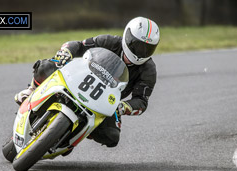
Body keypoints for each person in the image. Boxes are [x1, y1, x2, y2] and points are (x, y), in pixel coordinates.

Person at [14, 16, 160, 148]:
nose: (141, 51)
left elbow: (141, 101)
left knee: (112, 137)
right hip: (79, 79)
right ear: (128, 38)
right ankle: (32, 89)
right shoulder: (109, 41)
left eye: (148, 48)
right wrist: (66, 53)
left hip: (105, 102)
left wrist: (123, 107)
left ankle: (83, 130)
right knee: (47, 66)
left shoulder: (149, 70)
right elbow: (79, 45)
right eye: (138, 45)